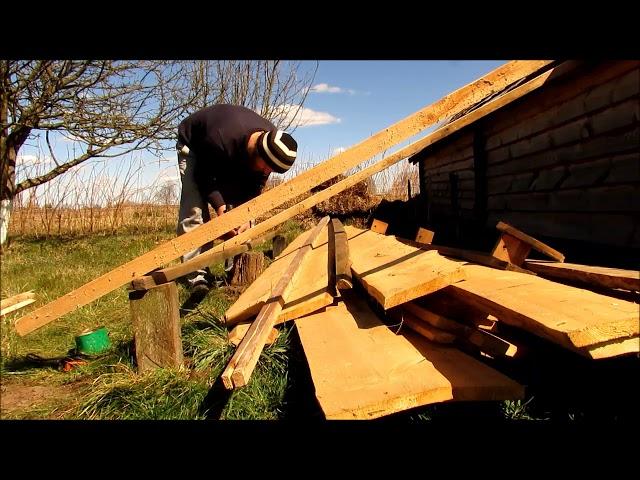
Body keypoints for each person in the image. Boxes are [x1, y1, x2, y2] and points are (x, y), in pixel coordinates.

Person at [176, 104, 298, 295]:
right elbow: (204, 176)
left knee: (246, 217)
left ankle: (236, 268)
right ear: (258, 151)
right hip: (195, 147)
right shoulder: (220, 136)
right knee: (194, 209)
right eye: (267, 167)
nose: (268, 173)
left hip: (231, 154)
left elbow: (254, 189)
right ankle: (196, 275)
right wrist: (221, 206)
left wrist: (245, 217)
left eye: (272, 170)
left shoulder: (272, 147)